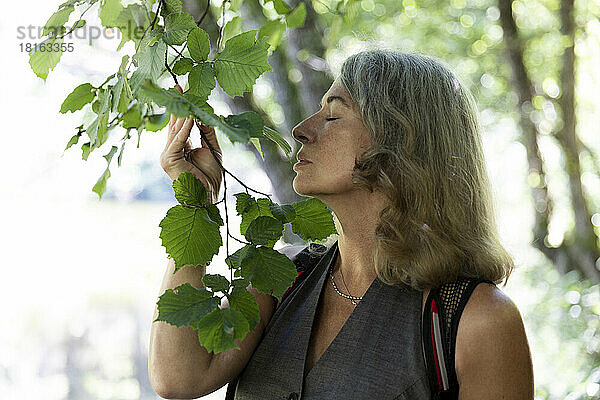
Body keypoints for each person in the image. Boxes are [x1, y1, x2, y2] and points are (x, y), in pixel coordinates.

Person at [149, 50, 534, 399]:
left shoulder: (475, 320)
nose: (302, 128)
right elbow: (179, 378)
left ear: (400, 141)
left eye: (333, 114)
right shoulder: (281, 277)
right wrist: (196, 203)